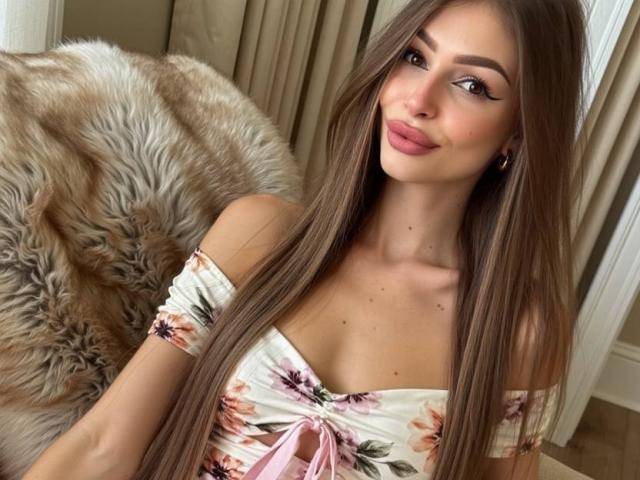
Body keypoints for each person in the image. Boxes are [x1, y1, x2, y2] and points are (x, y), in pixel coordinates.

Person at [23, 0, 588, 479]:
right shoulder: (257, 235)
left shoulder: (517, 330)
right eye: (415, 57)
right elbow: (105, 443)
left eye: (472, 85)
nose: (419, 99)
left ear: (519, 131)